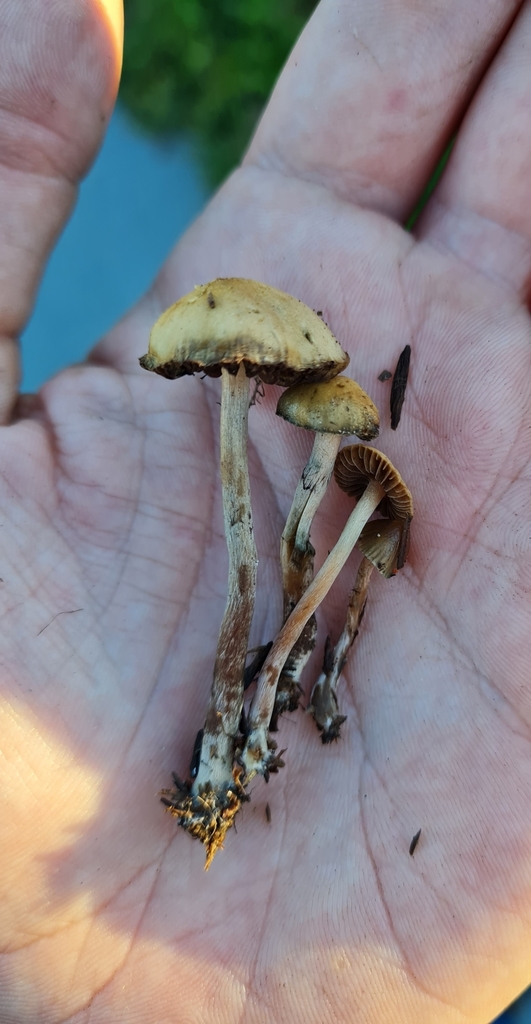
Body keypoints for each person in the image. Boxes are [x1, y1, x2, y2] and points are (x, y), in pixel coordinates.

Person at [1, 1, 530, 1021]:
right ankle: (230, 745)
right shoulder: (227, 362)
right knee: (268, 561)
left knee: (283, 558)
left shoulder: (333, 449)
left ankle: (247, 731)